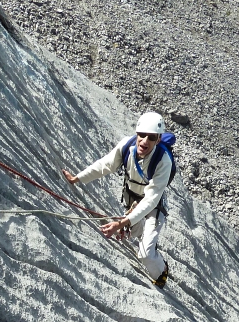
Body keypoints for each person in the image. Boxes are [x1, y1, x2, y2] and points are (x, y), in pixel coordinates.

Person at [62, 111, 172, 287]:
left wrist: (121, 223)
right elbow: (105, 165)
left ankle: (161, 272)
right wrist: (78, 178)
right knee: (131, 233)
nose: (144, 141)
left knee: (145, 254)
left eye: (151, 137)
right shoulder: (127, 146)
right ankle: (140, 231)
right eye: (142, 135)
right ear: (137, 133)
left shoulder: (163, 161)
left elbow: (151, 200)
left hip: (154, 206)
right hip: (133, 201)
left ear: (158, 140)